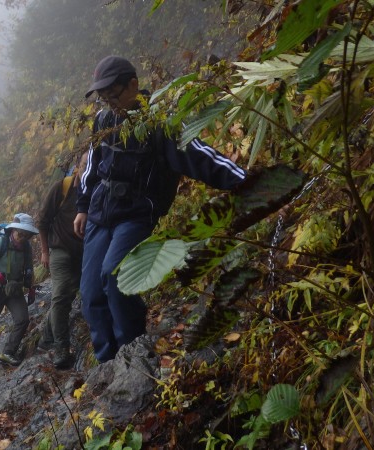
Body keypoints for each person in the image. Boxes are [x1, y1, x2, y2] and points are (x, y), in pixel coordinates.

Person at [74, 55, 247, 363]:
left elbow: (199, 156)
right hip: (100, 213)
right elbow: (91, 166)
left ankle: (132, 353)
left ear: (133, 85)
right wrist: (82, 206)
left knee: (115, 278)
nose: (109, 103)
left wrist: (248, 183)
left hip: (136, 214)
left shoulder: (159, 121)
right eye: (103, 97)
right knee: (90, 293)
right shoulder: (103, 120)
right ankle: (107, 362)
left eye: (113, 95)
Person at [37, 153, 87, 369]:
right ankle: (61, 348)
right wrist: (45, 251)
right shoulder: (62, 187)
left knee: (67, 295)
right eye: (84, 165)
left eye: (91, 165)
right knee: (60, 296)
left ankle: (46, 338)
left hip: (83, 253)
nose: (86, 169)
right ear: (77, 166)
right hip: (59, 250)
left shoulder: (95, 188)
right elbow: (42, 221)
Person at [0, 213, 39, 369]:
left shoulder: (26, 247)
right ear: (14, 230)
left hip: (13, 288)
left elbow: (29, 269)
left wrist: (31, 288)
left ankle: (8, 352)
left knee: (22, 319)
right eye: (20, 234)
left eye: (26, 235)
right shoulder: (2, 242)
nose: (22, 238)